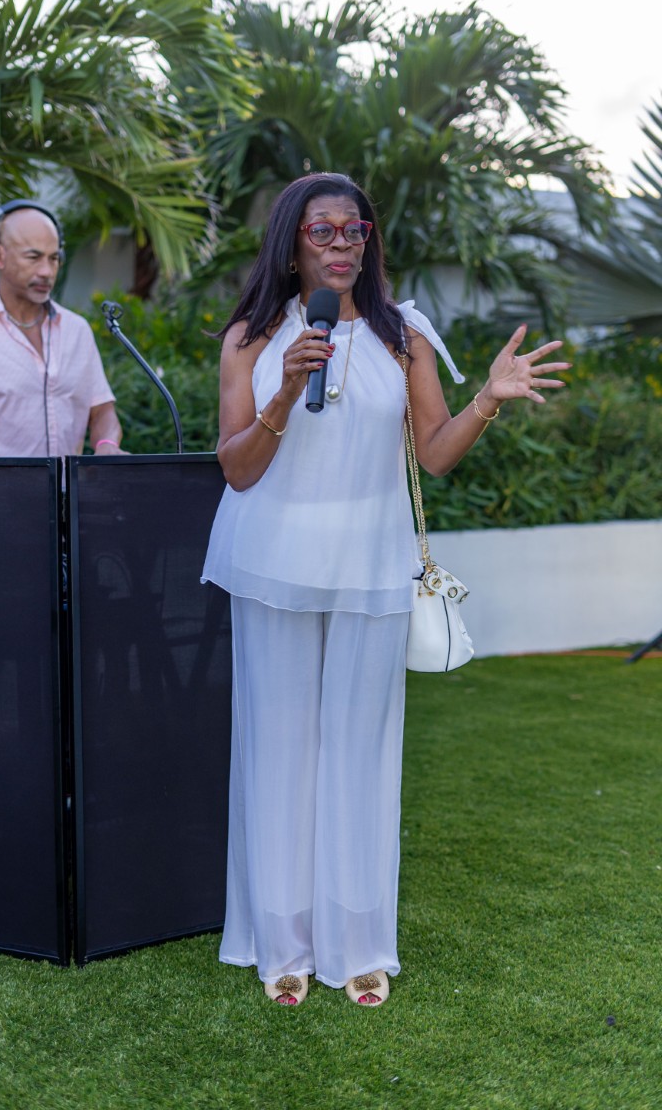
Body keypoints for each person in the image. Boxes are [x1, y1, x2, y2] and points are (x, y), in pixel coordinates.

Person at [201, 172, 569, 1007]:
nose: (342, 244)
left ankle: (358, 943)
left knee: (360, 752)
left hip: (370, 565)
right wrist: (285, 390)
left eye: (355, 229)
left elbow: (434, 453)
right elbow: (237, 468)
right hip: (272, 564)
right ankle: (283, 946)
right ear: (291, 243)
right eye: (323, 231)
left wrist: (487, 399)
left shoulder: (403, 335)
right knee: (280, 750)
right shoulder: (252, 339)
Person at [0, 201, 122, 457]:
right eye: (33, 257)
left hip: (68, 485)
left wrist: (107, 445)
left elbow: (102, 411)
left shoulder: (78, 331)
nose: (46, 271)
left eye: (54, 258)